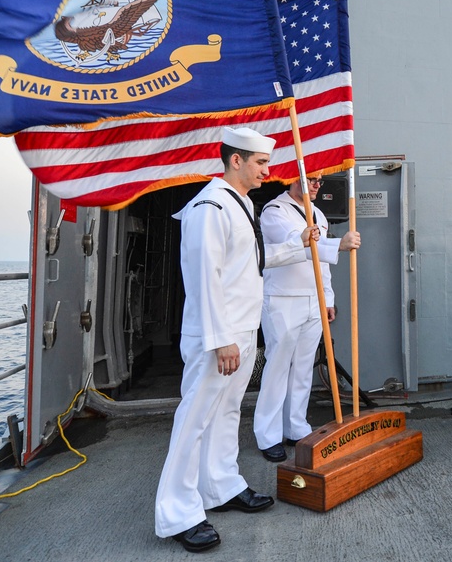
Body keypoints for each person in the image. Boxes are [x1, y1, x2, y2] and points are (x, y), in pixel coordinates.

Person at [154, 128, 320, 553]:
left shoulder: (241, 203)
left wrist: (300, 246)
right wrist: (221, 339)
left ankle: (222, 486)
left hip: (244, 330)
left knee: (227, 413)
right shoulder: (210, 206)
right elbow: (204, 277)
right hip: (220, 335)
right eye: (261, 163)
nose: (268, 171)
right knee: (194, 422)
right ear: (236, 161)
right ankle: (178, 513)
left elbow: (254, 261)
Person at [254, 173, 361, 462]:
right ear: (292, 179)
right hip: (283, 299)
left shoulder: (318, 214)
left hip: (313, 299)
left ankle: (296, 427)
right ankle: (268, 434)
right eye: (311, 180)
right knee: (278, 367)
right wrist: (339, 244)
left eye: (319, 181)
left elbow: (321, 263)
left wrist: (328, 298)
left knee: (302, 368)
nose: (317, 185)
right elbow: (296, 245)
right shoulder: (275, 211)